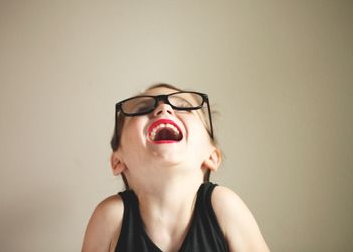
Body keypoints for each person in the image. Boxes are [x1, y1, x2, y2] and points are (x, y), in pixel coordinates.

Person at [81, 83, 270, 252]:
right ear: (118, 162)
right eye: (143, 108)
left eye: (184, 108)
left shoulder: (224, 207)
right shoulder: (111, 217)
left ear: (211, 156)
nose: (164, 108)